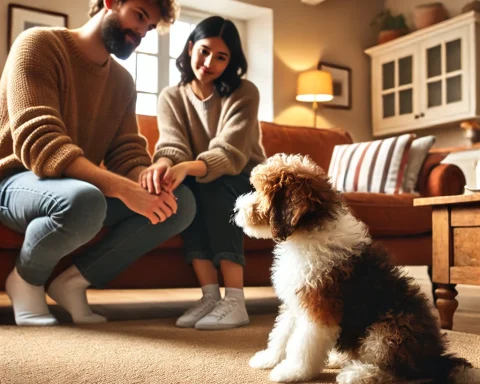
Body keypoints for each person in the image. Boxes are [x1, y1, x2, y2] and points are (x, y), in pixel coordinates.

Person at [0, 0, 196, 326]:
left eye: (148, 29)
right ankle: (26, 279)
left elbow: (125, 152)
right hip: (14, 180)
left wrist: (146, 178)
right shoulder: (38, 45)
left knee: (180, 203)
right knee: (85, 200)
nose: (140, 34)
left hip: (71, 185)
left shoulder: (122, 82)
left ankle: (73, 283)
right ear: (110, 2)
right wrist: (123, 188)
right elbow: (41, 143)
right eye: (140, 16)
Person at [140, 16, 266, 330]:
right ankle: (210, 296)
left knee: (213, 184)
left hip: (245, 176)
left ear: (231, 61)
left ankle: (235, 299)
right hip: (199, 175)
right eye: (204, 51)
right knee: (184, 193)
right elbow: (172, 145)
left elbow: (230, 154)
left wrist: (185, 167)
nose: (209, 62)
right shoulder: (171, 96)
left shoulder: (245, 92)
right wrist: (163, 167)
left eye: (221, 57)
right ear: (191, 47)